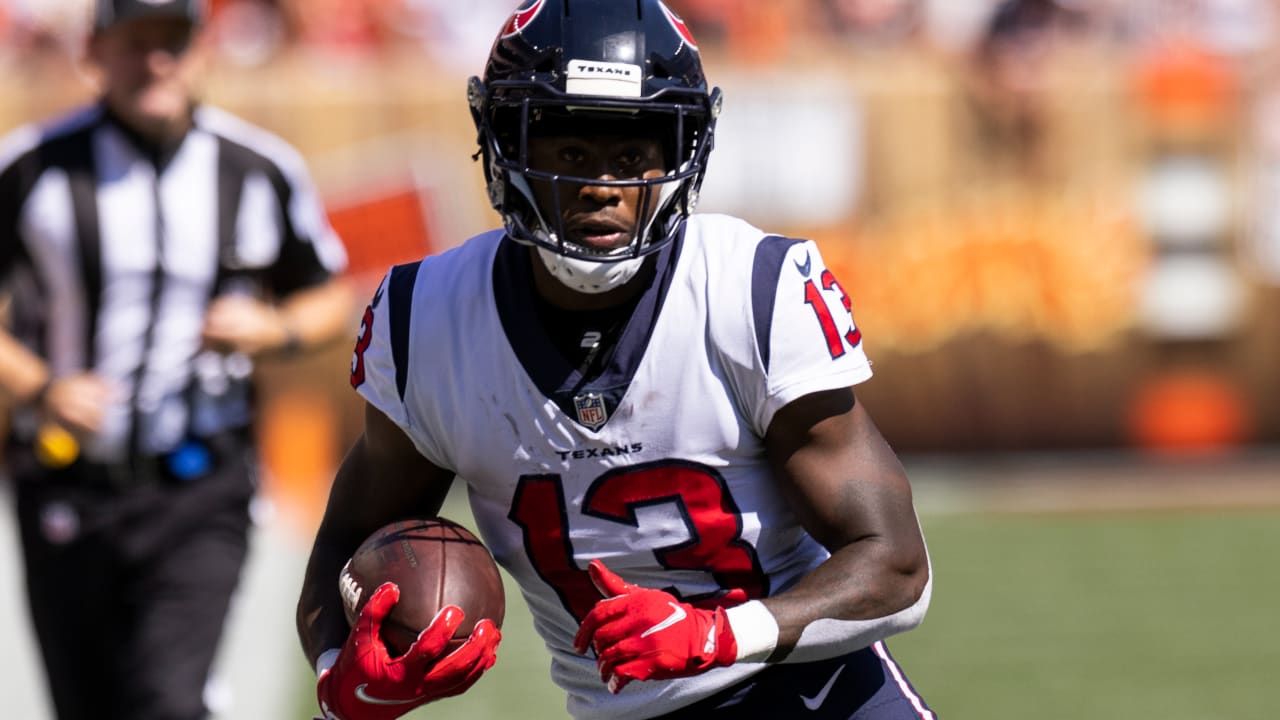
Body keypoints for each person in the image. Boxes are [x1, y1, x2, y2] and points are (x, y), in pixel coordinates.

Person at [295, 1, 934, 719]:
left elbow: (897, 565)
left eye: (630, 157)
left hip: (812, 692)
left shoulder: (749, 290)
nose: (602, 187)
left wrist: (719, 634)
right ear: (507, 147)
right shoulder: (430, 318)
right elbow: (343, 549)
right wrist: (341, 678)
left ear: (681, 155)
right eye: (570, 153)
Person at [0, 1, 352, 718]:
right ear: (95, 53)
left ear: (200, 51)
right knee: (87, 705)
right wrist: (40, 386)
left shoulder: (257, 168)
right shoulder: (32, 168)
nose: (155, 60)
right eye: (135, 43)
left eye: (172, 41)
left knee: (168, 700)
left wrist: (272, 328)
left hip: (202, 484)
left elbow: (329, 296)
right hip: (69, 482)